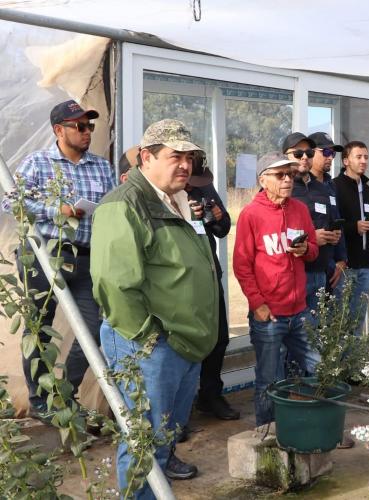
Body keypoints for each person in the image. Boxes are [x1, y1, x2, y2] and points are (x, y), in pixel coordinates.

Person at [91, 119, 219, 491]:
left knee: (163, 438)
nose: (184, 165)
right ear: (146, 158)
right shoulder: (125, 205)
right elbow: (114, 285)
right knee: (143, 443)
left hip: (182, 342)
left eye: (189, 158)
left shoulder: (177, 200)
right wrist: (149, 339)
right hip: (150, 345)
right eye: (174, 156)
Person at [3, 100, 115, 422]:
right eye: (79, 126)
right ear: (58, 130)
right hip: (45, 254)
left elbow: (112, 204)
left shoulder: (101, 167)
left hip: (87, 258)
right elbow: (11, 201)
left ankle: (64, 395)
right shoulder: (38, 163)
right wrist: (57, 210)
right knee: (39, 326)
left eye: (89, 126)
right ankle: (40, 401)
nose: (86, 132)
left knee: (94, 329)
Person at [233, 153, 320, 427]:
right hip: (269, 315)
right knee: (268, 380)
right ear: (263, 180)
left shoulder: (300, 210)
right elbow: (241, 265)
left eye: (290, 175)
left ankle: (312, 424)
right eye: (280, 175)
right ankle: (268, 437)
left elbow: (314, 251)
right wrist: (258, 304)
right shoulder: (251, 214)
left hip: (300, 311)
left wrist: (307, 249)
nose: (287, 180)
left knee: (319, 367)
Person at [183, 153, 238, 420]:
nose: (194, 186)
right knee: (183, 343)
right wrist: (186, 215)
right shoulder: (163, 191)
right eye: (190, 181)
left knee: (219, 338)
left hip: (208, 270)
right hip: (180, 277)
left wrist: (217, 216)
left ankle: (211, 395)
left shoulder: (203, 185)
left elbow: (223, 227)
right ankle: (178, 409)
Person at [286, 132, 343, 315]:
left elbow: (328, 222)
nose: (304, 157)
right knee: (296, 337)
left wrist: (334, 238)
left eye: (309, 153)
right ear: (285, 155)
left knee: (318, 336)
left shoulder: (322, 188)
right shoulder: (281, 188)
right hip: (294, 273)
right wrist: (311, 238)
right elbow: (275, 230)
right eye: (298, 154)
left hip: (322, 272)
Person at [333, 141, 369, 334]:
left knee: (358, 315)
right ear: (346, 160)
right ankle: (340, 362)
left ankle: (353, 361)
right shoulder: (335, 187)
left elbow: (366, 222)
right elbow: (333, 224)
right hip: (345, 263)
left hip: (363, 263)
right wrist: (354, 227)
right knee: (342, 316)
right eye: (358, 157)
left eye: (366, 157)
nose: (363, 161)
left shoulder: (367, 189)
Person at [307, 131, 348, 291]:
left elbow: (338, 222)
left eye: (333, 153)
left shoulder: (331, 185)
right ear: (311, 153)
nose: (330, 157)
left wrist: (341, 259)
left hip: (331, 266)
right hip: (308, 267)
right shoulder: (300, 185)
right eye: (326, 152)